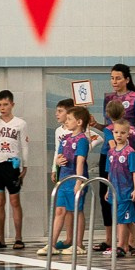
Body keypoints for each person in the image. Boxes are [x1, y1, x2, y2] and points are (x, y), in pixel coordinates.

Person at [0, 90, 30, 250]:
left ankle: (19, 237)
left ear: (12, 105)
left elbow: (24, 145)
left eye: (5, 104)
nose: (2, 108)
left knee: (14, 201)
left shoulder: (20, 123)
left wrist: (25, 166)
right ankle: (0, 238)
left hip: (12, 165)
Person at [43, 106, 89, 256]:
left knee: (77, 210)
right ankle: (52, 244)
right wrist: (57, 162)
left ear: (79, 122)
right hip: (64, 178)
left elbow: (80, 161)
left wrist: (78, 181)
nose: (66, 122)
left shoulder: (82, 140)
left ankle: (79, 244)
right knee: (60, 210)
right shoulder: (65, 138)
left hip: (75, 179)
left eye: (70, 119)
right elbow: (59, 157)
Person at [105, 119, 135, 258]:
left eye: (122, 132)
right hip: (114, 191)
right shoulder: (111, 153)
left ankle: (121, 246)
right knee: (124, 219)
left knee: (122, 220)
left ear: (128, 135)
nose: (119, 135)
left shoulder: (129, 152)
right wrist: (108, 189)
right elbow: (110, 172)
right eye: (116, 132)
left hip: (126, 191)